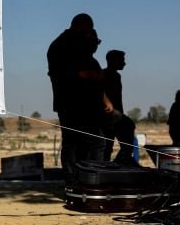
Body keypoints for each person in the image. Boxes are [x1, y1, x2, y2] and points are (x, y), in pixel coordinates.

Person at [46, 14, 107, 182]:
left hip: (81, 105)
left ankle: (81, 180)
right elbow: (70, 74)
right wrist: (92, 75)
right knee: (89, 143)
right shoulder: (63, 46)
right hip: (73, 104)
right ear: (81, 28)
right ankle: (87, 181)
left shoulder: (73, 47)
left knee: (81, 145)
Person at [102, 50, 137, 164]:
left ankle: (122, 159)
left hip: (115, 115)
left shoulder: (116, 76)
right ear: (113, 61)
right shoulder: (105, 75)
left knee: (127, 128)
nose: (124, 63)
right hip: (108, 115)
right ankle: (115, 162)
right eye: (122, 60)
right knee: (107, 144)